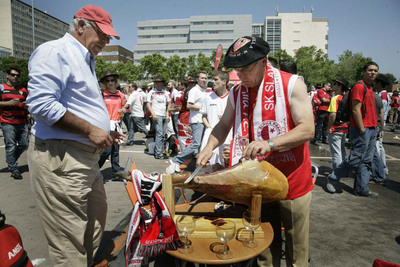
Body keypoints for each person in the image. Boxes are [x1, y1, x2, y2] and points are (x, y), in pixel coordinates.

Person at [197, 36, 315, 267]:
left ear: (264, 61)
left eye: (246, 70)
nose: (241, 76)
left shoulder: (292, 84)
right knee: (262, 246)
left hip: (292, 179)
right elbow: (223, 125)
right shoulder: (237, 92)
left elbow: (307, 129)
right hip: (257, 181)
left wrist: (270, 143)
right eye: (237, 71)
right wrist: (209, 147)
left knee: (296, 248)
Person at [26, 5, 121, 266]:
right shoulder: (55, 51)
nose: (106, 40)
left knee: (93, 226)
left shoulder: (84, 57)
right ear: (81, 26)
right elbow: (42, 104)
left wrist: (105, 130)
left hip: (83, 158)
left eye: (109, 36)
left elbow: (78, 104)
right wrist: (91, 129)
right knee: (69, 240)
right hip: (62, 157)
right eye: (102, 33)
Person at [326, 62, 379, 198]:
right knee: (356, 158)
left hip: (371, 128)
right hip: (363, 128)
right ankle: (334, 176)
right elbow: (355, 109)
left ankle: (361, 188)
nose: (373, 73)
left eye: (375, 71)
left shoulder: (369, 88)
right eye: (370, 70)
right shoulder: (359, 86)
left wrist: (375, 130)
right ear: (364, 71)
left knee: (366, 161)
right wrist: (362, 129)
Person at [168, 72, 208, 173]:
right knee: (196, 143)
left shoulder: (203, 91)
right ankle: (177, 160)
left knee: (199, 144)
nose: (204, 80)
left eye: (205, 78)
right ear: (197, 79)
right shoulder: (194, 91)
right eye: (202, 78)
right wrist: (202, 108)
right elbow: (189, 106)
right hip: (196, 120)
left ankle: (193, 165)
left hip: (201, 120)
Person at [0, 66, 29, 180]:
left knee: (24, 144)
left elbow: (28, 101)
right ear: (7, 75)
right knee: (10, 146)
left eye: (17, 75)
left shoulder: (23, 89)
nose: (15, 77)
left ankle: (11, 160)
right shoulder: (2, 87)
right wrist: (9, 104)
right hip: (7, 122)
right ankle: (14, 169)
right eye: (13, 75)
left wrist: (26, 105)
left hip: (22, 121)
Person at [200, 70, 232, 171]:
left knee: (226, 166)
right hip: (212, 136)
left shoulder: (232, 97)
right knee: (209, 166)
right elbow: (203, 116)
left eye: (215, 79)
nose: (213, 82)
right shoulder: (207, 97)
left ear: (224, 81)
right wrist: (209, 127)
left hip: (228, 136)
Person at [98, 71, 126, 180]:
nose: (110, 83)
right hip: (106, 124)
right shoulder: (102, 94)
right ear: (105, 83)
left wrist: (123, 109)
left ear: (116, 82)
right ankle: (95, 169)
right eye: (108, 81)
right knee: (106, 150)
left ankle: (115, 173)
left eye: (112, 80)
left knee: (115, 151)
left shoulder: (120, 94)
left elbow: (124, 107)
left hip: (117, 124)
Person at [326, 78, 349, 170]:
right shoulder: (345, 98)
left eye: (335, 84)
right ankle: (344, 170)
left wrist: (329, 127)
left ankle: (337, 173)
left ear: (339, 86)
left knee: (336, 153)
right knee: (342, 150)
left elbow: (332, 114)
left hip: (335, 129)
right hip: (344, 128)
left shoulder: (335, 99)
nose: (333, 86)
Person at [146, 76, 171, 159]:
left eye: (160, 82)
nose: (158, 84)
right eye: (157, 82)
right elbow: (148, 104)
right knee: (159, 134)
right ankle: (158, 153)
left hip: (164, 115)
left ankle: (160, 151)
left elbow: (169, 103)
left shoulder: (166, 92)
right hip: (157, 115)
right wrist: (153, 114)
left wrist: (167, 114)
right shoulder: (151, 92)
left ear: (163, 83)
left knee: (163, 135)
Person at [375, 74, 390, 175]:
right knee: (379, 146)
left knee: (377, 147)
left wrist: (379, 128)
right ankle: (383, 168)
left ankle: (380, 169)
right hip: (381, 124)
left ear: (379, 83)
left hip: (379, 124)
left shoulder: (382, 96)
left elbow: (381, 113)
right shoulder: (384, 95)